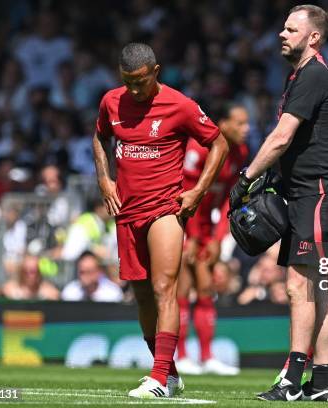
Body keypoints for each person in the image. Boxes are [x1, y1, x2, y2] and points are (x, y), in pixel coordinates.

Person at [230, 5, 328, 401]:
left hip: (320, 193)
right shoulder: (303, 74)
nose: (281, 34)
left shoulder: (313, 75)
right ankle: (320, 383)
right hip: (311, 192)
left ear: (313, 37)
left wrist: (246, 177)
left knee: (298, 284)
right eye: (282, 28)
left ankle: (291, 380)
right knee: (315, 287)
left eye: (291, 29)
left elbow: (282, 137)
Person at [93, 42, 229, 399]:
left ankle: (156, 379)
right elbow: (99, 136)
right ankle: (168, 372)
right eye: (128, 82)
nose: (134, 89)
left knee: (163, 288)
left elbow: (219, 143)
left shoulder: (180, 105)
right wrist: (104, 179)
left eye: (140, 81)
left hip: (164, 210)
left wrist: (198, 191)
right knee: (141, 296)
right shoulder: (111, 102)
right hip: (126, 212)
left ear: (156, 72)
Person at [176, 102, 249, 376]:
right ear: (223, 123)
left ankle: (207, 356)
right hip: (182, 221)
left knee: (206, 286)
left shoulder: (239, 152)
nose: (246, 129)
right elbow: (186, 193)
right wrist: (193, 235)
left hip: (206, 227)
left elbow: (230, 199)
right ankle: (180, 355)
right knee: (182, 286)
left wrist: (217, 238)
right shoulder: (198, 148)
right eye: (240, 123)